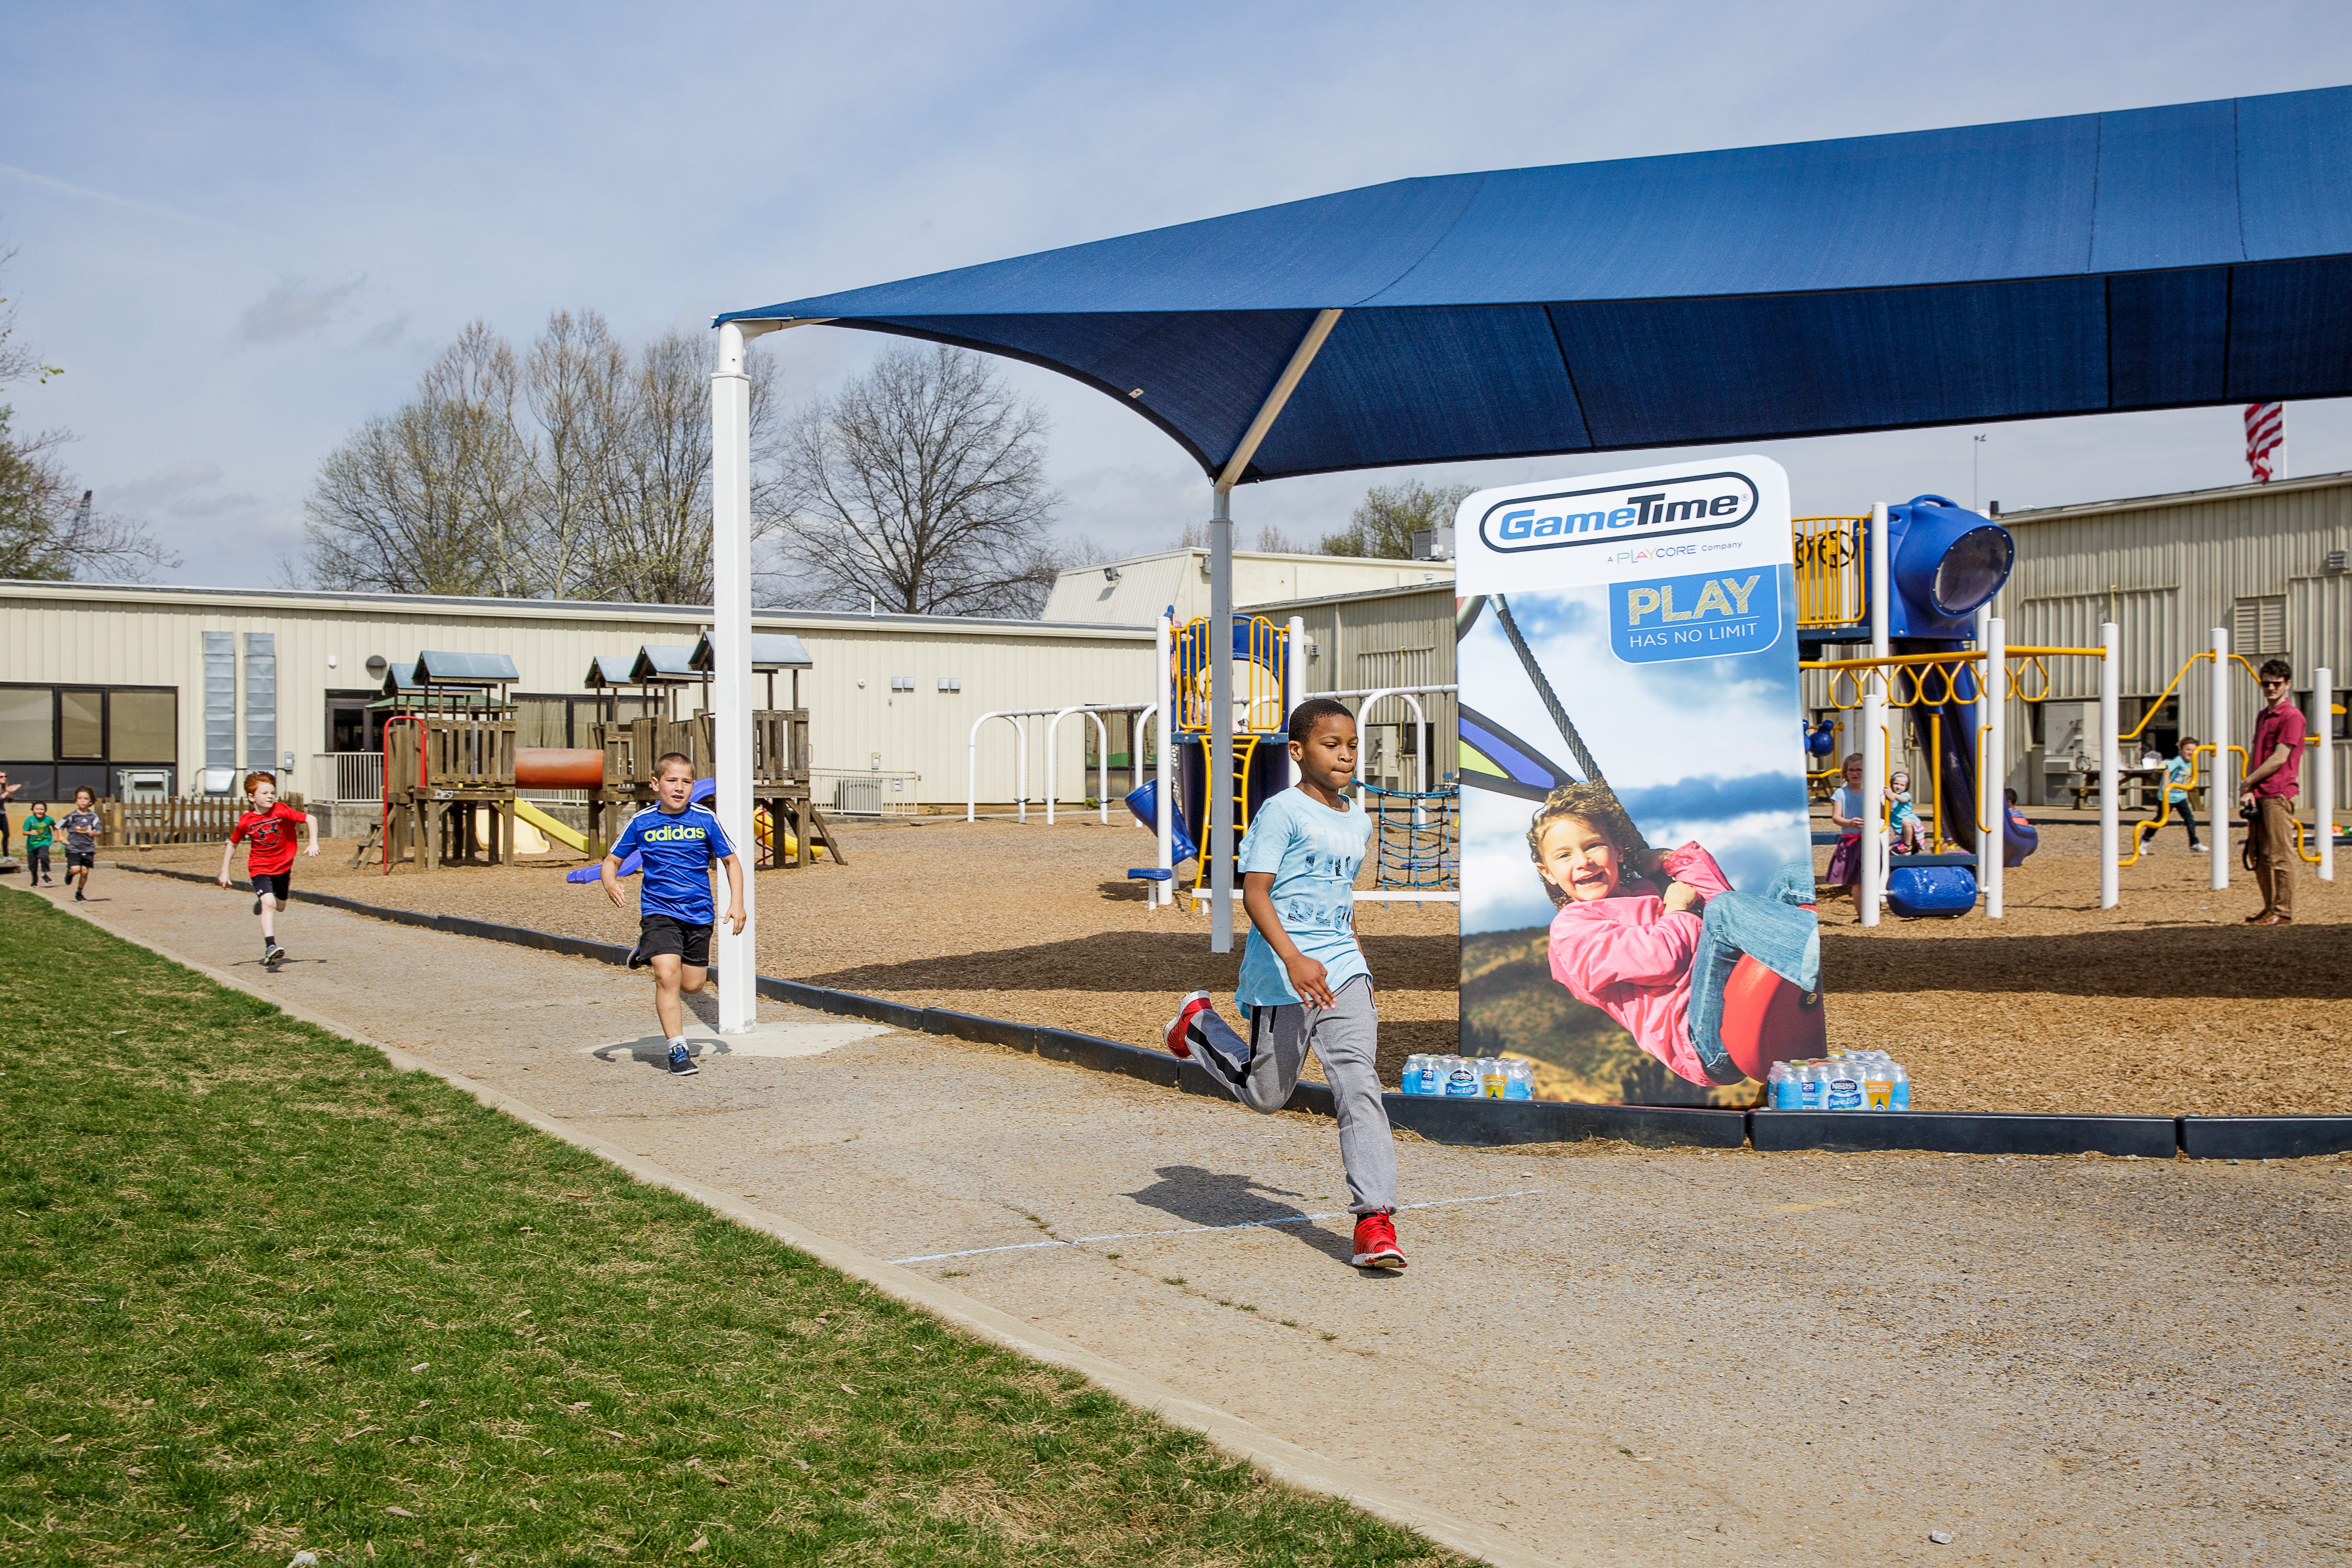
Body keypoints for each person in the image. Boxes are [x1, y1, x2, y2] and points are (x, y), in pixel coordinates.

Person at [1159, 697, 1405, 1271]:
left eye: (1351, 745)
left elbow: (1339, 899)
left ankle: (1374, 1220)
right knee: (1267, 1096)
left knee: (1358, 1083)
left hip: (1343, 973)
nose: (1344, 755)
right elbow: (1256, 892)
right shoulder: (1281, 813)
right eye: (1330, 744)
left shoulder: (1358, 820)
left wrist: (1356, 958)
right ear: (1298, 752)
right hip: (1284, 977)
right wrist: (1294, 959)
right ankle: (1197, 1024)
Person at [1531, 783, 1820, 1089]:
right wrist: (1677, 907)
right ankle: (1820, 963)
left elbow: (1721, 901)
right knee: (1724, 911)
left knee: (1789, 879)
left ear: (1617, 851)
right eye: (1564, 856)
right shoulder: (1573, 928)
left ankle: (1822, 948)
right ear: (1547, 872)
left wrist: (1671, 860)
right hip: (1702, 1040)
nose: (1583, 861)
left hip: (1726, 996)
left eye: (1592, 846)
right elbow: (1660, 960)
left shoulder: (1646, 889)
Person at [601, 753, 745, 1076]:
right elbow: (611, 861)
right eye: (671, 780)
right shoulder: (642, 822)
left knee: (693, 985)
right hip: (659, 911)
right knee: (667, 975)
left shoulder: (705, 819)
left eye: (686, 781)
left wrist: (737, 903)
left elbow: (732, 862)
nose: (679, 788)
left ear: (693, 786)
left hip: (698, 914)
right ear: (656, 784)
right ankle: (677, 1049)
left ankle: (646, 950)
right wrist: (611, 883)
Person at [218, 771, 317, 969]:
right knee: (270, 904)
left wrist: (313, 842)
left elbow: (310, 818)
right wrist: (225, 871)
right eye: (265, 793)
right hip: (259, 867)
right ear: (252, 797)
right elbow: (233, 844)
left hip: (283, 867)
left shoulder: (281, 811)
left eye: (272, 793)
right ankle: (271, 946)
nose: (270, 796)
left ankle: (262, 903)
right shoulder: (246, 821)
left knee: (280, 906)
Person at [2241, 660, 2306, 926]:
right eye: (2266, 683)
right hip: (2260, 791)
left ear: (2287, 685)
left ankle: (2284, 911)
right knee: (2259, 854)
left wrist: (2247, 783)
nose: (2270, 688)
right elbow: (2257, 755)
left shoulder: (2293, 717)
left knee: (2280, 854)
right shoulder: (2263, 716)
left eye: (2276, 684)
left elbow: (2280, 758)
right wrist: (2250, 788)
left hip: (2278, 791)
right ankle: (2270, 908)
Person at [1823, 752, 1868, 914]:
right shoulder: (1841, 794)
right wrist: (1850, 823)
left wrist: (1889, 800)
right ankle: (1862, 914)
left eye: (1859, 770)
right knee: (1857, 880)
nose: (1855, 773)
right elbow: (1836, 818)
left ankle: (1871, 911)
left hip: (1868, 840)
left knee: (1870, 877)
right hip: (1850, 839)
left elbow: (1884, 815)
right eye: (1851, 770)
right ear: (1846, 773)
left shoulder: (1871, 792)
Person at [2162, 735, 2206, 853]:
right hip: (2168, 796)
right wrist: (2166, 785)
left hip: (2180, 796)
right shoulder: (2178, 760)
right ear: (2181, 750)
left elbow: (2190, 776)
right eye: (2188, 749)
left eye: (2193, 750)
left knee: (2189, 819)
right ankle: (2145, 840)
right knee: (2161, 820)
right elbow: (2167, 770)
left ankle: (2194, 843)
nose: (2191, 753)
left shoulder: (2192, 764)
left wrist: (2185, 790)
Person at [58, 787, 102, 902]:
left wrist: (94, 833)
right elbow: (58, 827)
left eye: (85, 799)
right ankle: (70, 873)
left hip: (88, 848)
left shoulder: (93, 817)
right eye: (80, 798)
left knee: (85, 872)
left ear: (91, 802)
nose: (82, 801)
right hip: (73, 848)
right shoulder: (72, 816)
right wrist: (62, 838)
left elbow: (99, 831)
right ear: (76, 801)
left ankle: (79, 893)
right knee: (76, 869)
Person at [1886, 769, 1927, 853]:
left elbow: (1903, 799)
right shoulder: (1889, 798)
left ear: (1906, 787)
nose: (1898, 787)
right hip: (1901, 831)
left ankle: (1908, 845)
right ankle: (1910, 849)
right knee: (1890, 850)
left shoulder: (1905, 795)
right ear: (1891, 784)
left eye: (1902, 785)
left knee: (1905, 821)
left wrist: (1892, 795)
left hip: (1913, 824)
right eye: (1896, 784)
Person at [22, 801, 54, 886]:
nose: (39, 811)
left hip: (44, 842)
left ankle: (44, 874)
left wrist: (57, 836)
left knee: (44, 856)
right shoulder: (30, 820)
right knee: (33, 865)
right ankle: (34, 881)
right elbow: (24, 832)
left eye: (42, 809)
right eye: (37, 809)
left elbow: (56, 827)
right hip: (32, 845)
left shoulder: (49, 819)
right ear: (33, 810)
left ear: (45, 810)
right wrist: (30, 833)